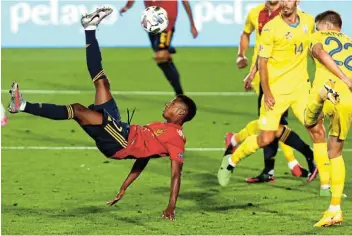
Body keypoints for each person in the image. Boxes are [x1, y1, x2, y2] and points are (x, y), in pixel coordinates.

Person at [7, 7, 197, 221]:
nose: (167, 104)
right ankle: (90, 27)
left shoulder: (176, 139)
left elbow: (175, 174)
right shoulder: (160, 127)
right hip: (120, 129)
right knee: (101, 81)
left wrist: (171, 206)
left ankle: (21, 105)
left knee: (78, 110)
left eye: (172, 103)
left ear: (180, 112)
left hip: (119, 142)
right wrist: (125, 186)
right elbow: (144, 158)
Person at [217, 0, 319, 187]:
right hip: (268, 82)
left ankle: (308, 167)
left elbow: (314, 44)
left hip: (296, 86)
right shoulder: (259, 16)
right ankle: (239, 150)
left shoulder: (302, 18)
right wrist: (246, 62)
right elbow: (249, 38)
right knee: (270, 131)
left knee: (285, 126)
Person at [304, 10, 352, 227]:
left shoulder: (317, 36)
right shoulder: (350, 41)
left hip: (334, 88)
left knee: (310, 121)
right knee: (336, 152)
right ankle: (335, 209)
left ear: (323, 25)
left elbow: (321, 53)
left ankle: (323, 94)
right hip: (348, 100)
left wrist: (342, 77)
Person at [120, 0, 198, 95]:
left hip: (166, 20)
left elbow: (184, 1)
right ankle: (167, 49)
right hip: (150, 21)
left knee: (160, 56)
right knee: (163, 60)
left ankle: (180, 94)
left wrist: (192, 24)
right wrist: (127, 7)